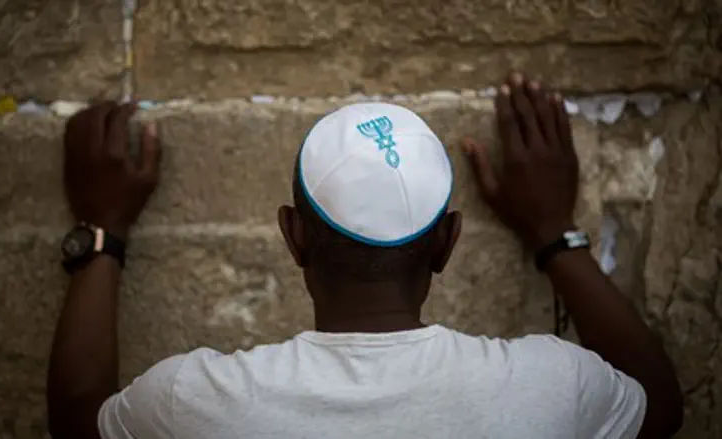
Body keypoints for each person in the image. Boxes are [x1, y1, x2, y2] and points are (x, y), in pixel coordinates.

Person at [47, 73, 683, 439]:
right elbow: (659, 405)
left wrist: (100, 231)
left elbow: (80, 421)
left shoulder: (198, 402)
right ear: (447, 241)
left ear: (293, 236)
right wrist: (554, 233)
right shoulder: (549, 388)